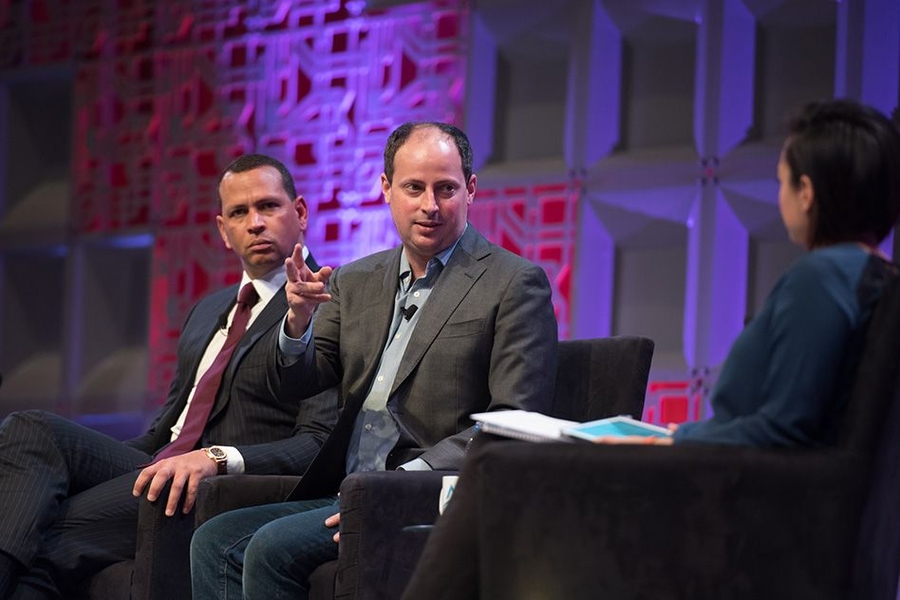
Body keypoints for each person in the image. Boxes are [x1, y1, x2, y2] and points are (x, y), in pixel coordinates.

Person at [401, 98, 900, 599]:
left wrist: (673, 444)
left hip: (735, 508)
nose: (780, 195)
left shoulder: (821, 278)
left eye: (782, 180)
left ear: (807, 193)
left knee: (493, 468)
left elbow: (785, 427)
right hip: (749, 490)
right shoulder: (870, 277)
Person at [189, 121, 559, 599]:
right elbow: (302, 381)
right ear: (386, 189)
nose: (430, 205)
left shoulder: (513, 282)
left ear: (470, 190)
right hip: (343, 486)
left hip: (426, 493)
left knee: (268, 549)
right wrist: (297, 324)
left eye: (446, 188)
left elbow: (514, 422)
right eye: (414, 188)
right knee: (212, 541)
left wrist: (399, 488)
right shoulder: (354, 279)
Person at [0, 153, 337, 597]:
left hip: (225, 481)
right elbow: (166, 428)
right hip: (162, 461)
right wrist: (93, 472)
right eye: (239, 212)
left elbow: (317, 443)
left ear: (299, 213)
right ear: (223, 230)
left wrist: (216, 457)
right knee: (30, 430)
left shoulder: (328, 298)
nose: (254, 223)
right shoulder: (207, 310)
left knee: (48, 535)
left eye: (268, 207)